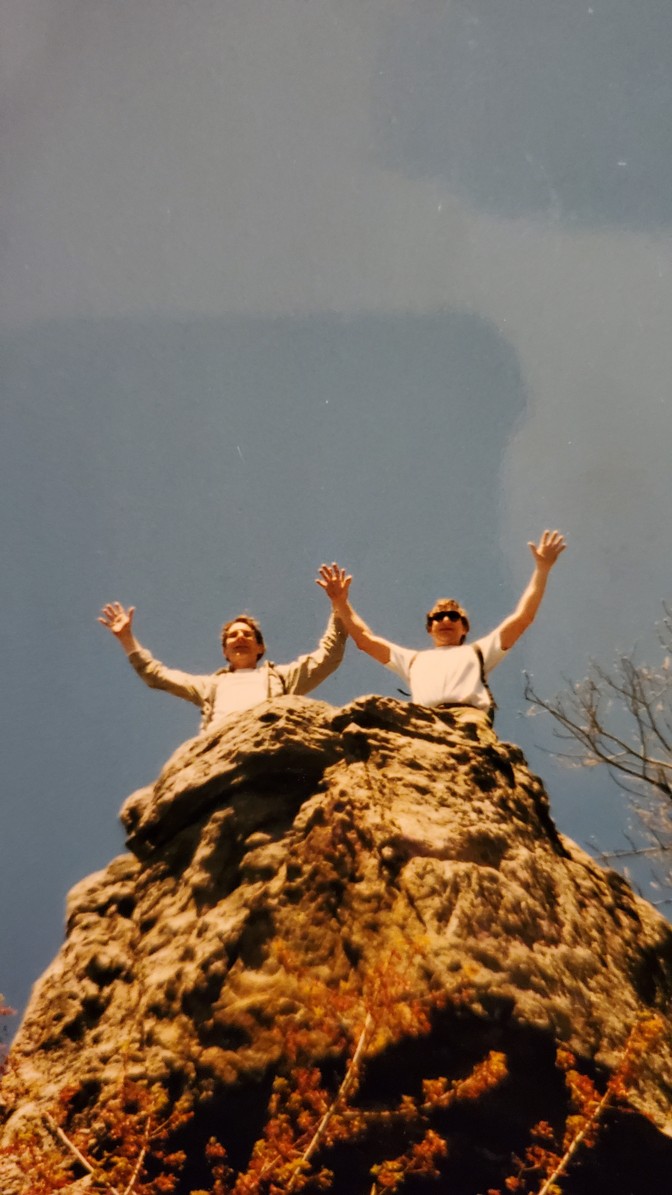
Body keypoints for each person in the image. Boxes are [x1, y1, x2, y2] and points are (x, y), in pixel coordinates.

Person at [316, 530, 566, 738]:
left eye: (453, 616)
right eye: (437, 616)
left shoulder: (478, 653)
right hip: (424, 724)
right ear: (430, 627)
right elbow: (365, 641)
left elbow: (522, 619)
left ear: (464, 627)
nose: (445, 619)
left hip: (468, 721)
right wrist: (340, 601)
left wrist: (542, 569)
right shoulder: (413, 661)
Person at [98, 574, 349, 734]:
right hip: (221, 747)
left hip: (267, 740)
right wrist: (127, 639)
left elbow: (328, 656)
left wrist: (338, 604)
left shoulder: (282, 678)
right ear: (225, 651)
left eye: (248, 635)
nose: (240, 638)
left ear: (260, 648)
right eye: (233, 636)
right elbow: (157, 676)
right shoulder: (210, 686)